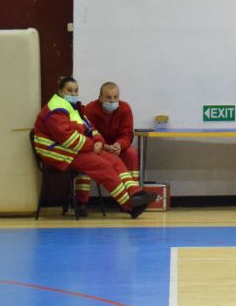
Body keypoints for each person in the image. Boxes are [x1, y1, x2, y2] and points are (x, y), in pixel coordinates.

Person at [33, 77, 155, 218]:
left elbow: (90, 128)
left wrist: (98, 141)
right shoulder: (56, 109)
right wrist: (92, 145)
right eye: (69, 90)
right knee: (104, 167)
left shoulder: (73, 107)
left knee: (114, 160)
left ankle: (135, 193)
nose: (73, 94)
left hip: (76, 148)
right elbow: (68, 139)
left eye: (76, 90)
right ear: (60, 91)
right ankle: (130, 206)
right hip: (59, 151)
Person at [81, 81, 142, 214]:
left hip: (116, 148)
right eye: (108, 97)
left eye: (115, 97)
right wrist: (104, 146)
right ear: (100, 97)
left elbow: (127, 134)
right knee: (84, 157)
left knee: (131, 154)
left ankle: (134, 197)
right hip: (97, 148)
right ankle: (81, 202)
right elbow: (88, 133)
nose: (112, 101)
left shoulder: (124, 108)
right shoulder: (90, 109)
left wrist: (119, 145)